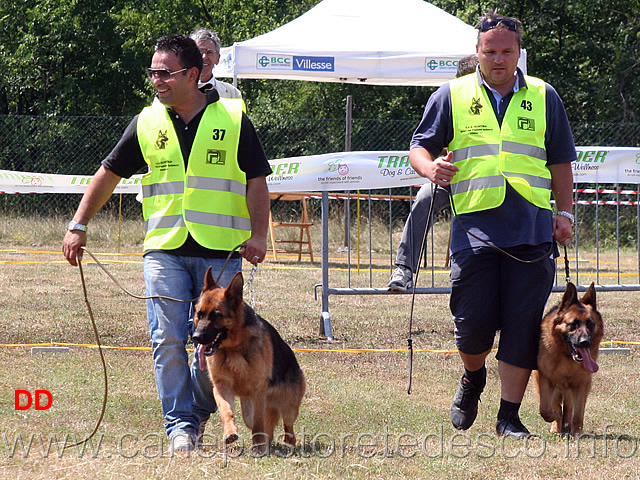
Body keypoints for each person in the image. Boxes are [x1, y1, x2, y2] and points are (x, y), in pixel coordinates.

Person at [62, 34, 271, 452]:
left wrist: (259, 234)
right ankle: (180, 427)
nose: (156, 79)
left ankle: (199, 408)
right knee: (168, 339)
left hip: (221, 251)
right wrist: (78, 222)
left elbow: (256, 179)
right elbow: (110, 172)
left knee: (213, 341)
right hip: (165, 248)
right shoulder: (146, 121)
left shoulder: (232, 118)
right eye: (153, 72)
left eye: (165, 72)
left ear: (192, 75)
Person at [409, 12, 575, 438]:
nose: (498, 59)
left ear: (519, 52)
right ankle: (473, 378)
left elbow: (560, 161)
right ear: (477, 53)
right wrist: (431, 170)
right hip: (474, 230)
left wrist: (565, 213)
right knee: (473, 327)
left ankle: (508, 417)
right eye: (490, 51)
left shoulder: (544, 95)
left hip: (532, 229)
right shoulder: (451, 94)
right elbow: (419, 147)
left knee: (522, 328)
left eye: (506, 51)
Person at [388, 54, 479, 292]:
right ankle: (404, 268)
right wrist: (432, 166)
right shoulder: (449, 99)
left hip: (485, 183)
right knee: (425, 198)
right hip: (451, 177)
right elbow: (423, 145)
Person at [190, 27, 242, 99]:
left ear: (217, 58)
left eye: (209, 52)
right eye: (200, 52)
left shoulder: (232, 94)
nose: (204, 57)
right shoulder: (177, 92)